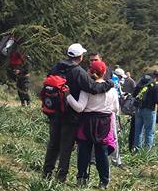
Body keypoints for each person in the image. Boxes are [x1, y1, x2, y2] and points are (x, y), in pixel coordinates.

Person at [43, 43, 114, 183]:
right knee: (66, 147)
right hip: (70, 114)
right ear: (80, 57)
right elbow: (93, 87)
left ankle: (46, 173)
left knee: (53, 144)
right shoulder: (78, 71)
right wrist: (109, 84)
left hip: (54, 112)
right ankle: (61, 177)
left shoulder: (56, 67)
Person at [65, 60, 119, 189]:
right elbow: (116, 108)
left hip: (87, 122)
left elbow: (79, 108)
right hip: (104, 123)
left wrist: (68, 96)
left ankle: (82, 178)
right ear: (104, 72)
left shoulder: (87, 89)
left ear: (89, 72)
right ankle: (103, 181)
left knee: (84, 152)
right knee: (102, 153)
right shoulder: (112, 90)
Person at [133, 70, 158, 150]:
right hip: (149, 110)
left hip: (138, 109)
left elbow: (134, 94)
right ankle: (147, 153)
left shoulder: (141, 83)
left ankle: (136, 150)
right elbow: (157, 100)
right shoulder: (156, 85)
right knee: (149, 132)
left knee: (138, 131)